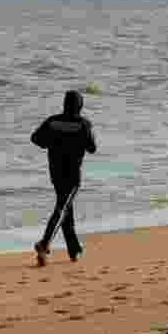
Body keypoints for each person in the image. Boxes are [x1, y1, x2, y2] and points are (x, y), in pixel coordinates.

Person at [30, 89, 97, 266]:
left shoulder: (52, 121)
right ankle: (44, 244)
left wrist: (51, 142)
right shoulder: (83, 124)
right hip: (73, 173)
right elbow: (92, 148)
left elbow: (35, 138)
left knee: (65, 207)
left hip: (55, 172)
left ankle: (73, 250)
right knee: (63, 208)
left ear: (64, 104)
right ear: (80, 106)